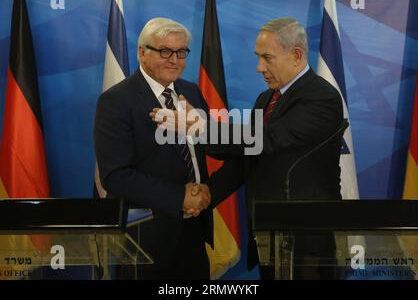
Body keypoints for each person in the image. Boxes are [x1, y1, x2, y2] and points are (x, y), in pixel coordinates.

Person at [152, 17, 344, 279]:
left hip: (306, 240)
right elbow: (247, 156)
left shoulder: (321, 96)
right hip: (268, 235)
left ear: (296, 55)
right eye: (258, 57)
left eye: (267, 58)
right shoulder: (266, 99)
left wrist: (201, 128)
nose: (259, 67)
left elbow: (269, 139)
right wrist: (209, 192)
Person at [94, 17, 212, 280]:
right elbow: (115, 176)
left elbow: (205, 148)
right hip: (147, 238)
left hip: (194, 230)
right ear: (141, 52)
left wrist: (201, 194)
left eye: (181, 52)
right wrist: (179, 197)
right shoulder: (115, 101)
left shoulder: (191, 92)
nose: (174, 59)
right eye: (165, 51)